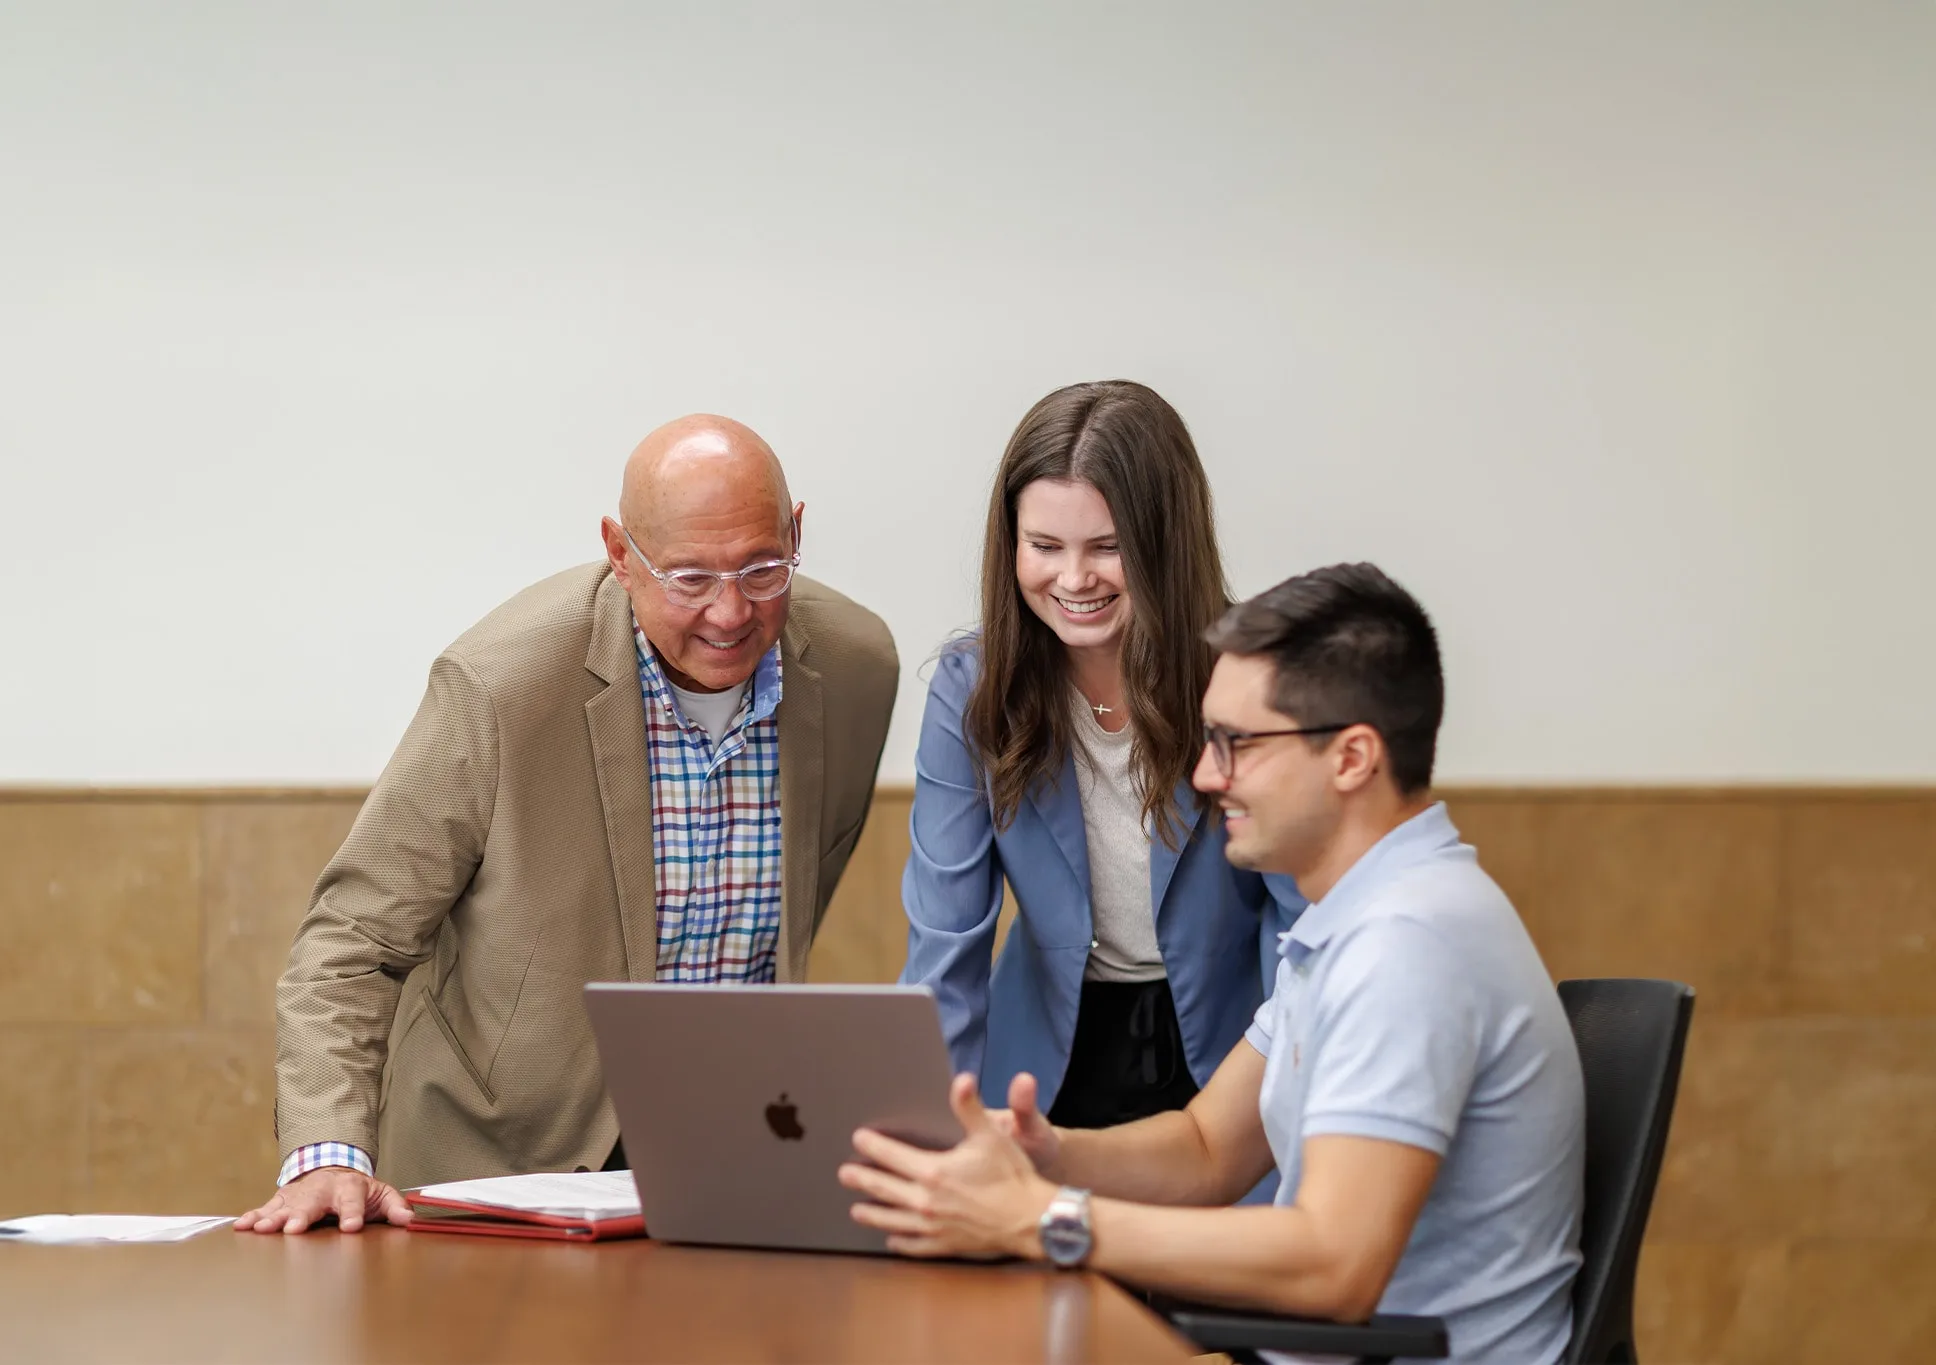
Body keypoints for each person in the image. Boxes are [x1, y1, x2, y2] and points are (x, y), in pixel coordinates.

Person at [844, 564, 1585, 1365]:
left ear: (1352, 757)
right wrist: (1046, 1153)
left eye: (1237, 743)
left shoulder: (1408, 948)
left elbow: (1334, 1264)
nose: (1204, 774)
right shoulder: (1357, 922)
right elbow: (1207, 1146)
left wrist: (1039, 1217)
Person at [236, 414, 898, 1235]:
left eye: (763, 568)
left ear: (796, 532)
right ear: (621, 554)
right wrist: (329, 1149)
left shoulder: (856, 670)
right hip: (500, 1167)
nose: (731, 612)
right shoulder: (500, 688)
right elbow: (350, 943)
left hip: (726, 1159)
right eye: (689, 578)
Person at [899, 379, 1304, 1138]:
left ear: (1163, 544)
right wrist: (933, 1140)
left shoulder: (1248, 677)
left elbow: (1299, 932)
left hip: (1235, 1054)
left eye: (1109, 548)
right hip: (1045, 1065)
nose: (1074, 579)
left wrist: (1291, 1108)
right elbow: (944, 948)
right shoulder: (971, 688)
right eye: (1044, 546)